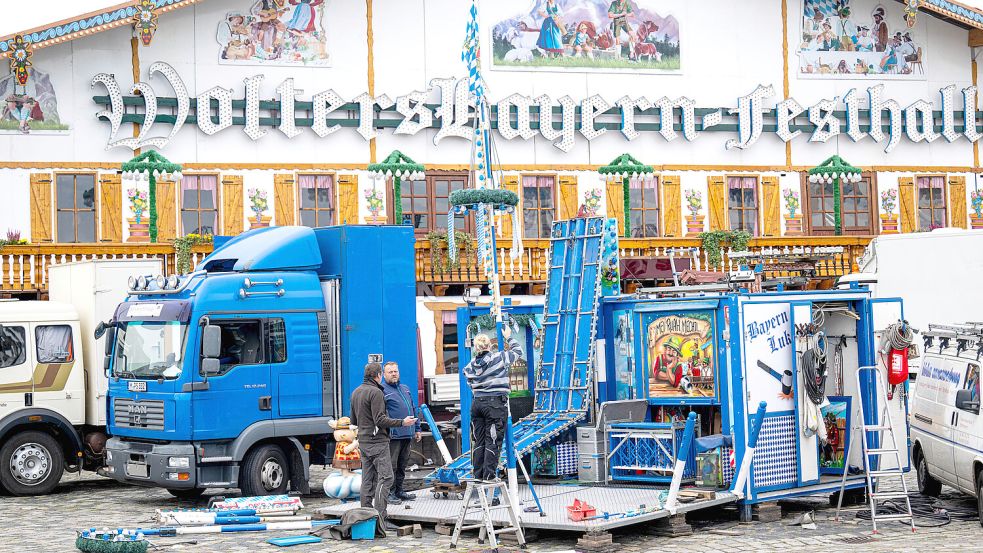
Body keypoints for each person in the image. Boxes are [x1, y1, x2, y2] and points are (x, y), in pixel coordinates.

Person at [350, 362, 417, 530]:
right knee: (386, 478)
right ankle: (381, 517)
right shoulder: (376, 392)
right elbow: (380, 420)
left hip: (364, 442)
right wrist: (402, 422)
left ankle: (365, 515)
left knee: (368, 480)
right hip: (377, 442)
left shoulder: (356, 392)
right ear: (379, 375)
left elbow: (353, 421)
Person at [462, 326, 523, 482]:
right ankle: (489, 477)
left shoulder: (469, 367)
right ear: (489, 346)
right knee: (493, 440)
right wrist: (508, 337)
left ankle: (478, 475)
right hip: (495, 404)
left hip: (477, 404)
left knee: (479, 441)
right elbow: (518, 352)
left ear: (476, 348)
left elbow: (470, 383)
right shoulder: (499, 358)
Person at [381, 361, 421, 503]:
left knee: (403, 464)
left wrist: (417, 429)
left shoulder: (405, 389)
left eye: (395, 371)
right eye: (390, 372)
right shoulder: (382, 391)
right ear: (384, 374)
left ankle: (399, 490)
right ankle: (389, 493)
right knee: (391, 465)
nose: (394, 374)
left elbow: (413, 408)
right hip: (393, 435)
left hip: (408, 433)